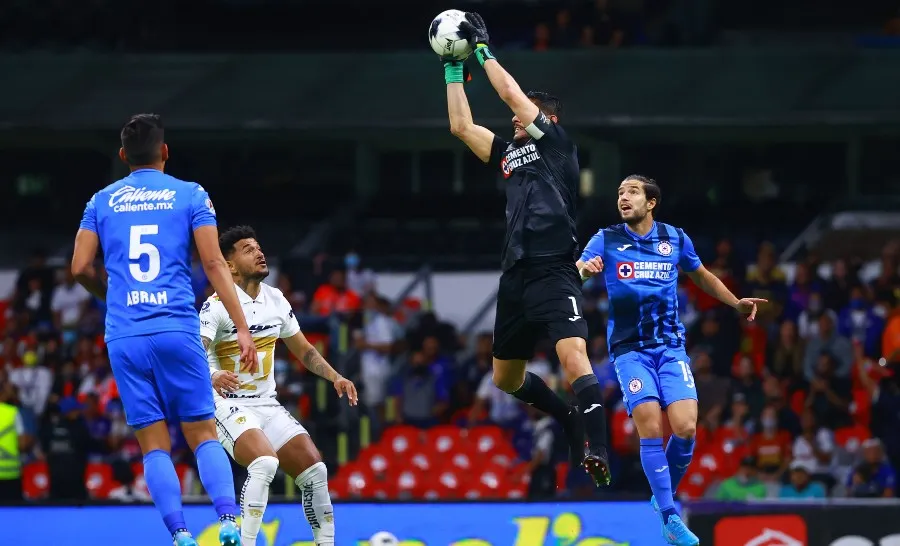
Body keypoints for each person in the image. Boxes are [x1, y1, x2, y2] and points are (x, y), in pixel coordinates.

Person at [71, 113, 258, 546]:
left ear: (122, 156)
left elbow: (79, 267)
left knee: (153, 443)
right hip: (175, 326)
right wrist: (242, 327)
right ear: (165, 152)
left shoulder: (100, 201)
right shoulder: (190, 194)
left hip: (125, 333)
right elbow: (213, 264)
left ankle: (179, 534)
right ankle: (228, 521)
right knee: (201, 432)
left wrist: (108, 296)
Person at [442, 12, 610, 486]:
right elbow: (460, 126)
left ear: (547, 118)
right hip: (515, 275)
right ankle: (568, 417)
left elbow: (511, 95)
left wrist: (483, 49)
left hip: (555, 269)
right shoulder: (509, 155)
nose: (514, 115)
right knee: (505, 380)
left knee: (574, 357)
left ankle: (597, 446)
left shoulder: (557, 146)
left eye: (526, 111)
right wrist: (453, 69)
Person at [578, 175, 767, 546]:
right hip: (630, 350)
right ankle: (669, 515)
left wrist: (736, 303)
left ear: (651, 202)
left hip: (669, 348)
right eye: (619, 192)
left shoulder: (674, 238)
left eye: (632, 191)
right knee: (650, 425)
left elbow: (701, 275)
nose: (623, 197)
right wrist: (586, 272)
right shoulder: (606, 238)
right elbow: (574, 275)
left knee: (685, 429)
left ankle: (661, 496)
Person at [203, 226, 358, 546]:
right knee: (264, 462)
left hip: (266, 404)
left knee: (315, 471)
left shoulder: (275, 298)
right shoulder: (215, 305)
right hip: (226, 403)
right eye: (248, 250)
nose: (260, 253)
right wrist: (213, 375)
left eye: (259, 247)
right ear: (229, 265)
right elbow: (193, 355)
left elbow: (304, 350)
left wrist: (335, 376)